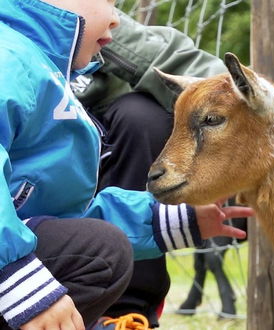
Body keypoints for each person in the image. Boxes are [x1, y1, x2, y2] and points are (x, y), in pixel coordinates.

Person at [0, 0, 255, 329]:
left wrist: (171, 220)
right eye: (107, 1)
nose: (116, 19)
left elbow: (59, 219)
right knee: (99, 252)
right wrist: (17, 279)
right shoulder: (10, 60)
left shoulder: (45, 70)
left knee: (98, 250)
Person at [73, 9, 233, 329]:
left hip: (85, 163)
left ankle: (126, 315)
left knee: (140, 116)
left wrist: (268, 125)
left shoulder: (94, 23)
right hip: (25, 220)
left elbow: (160, 54)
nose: (114, 16)